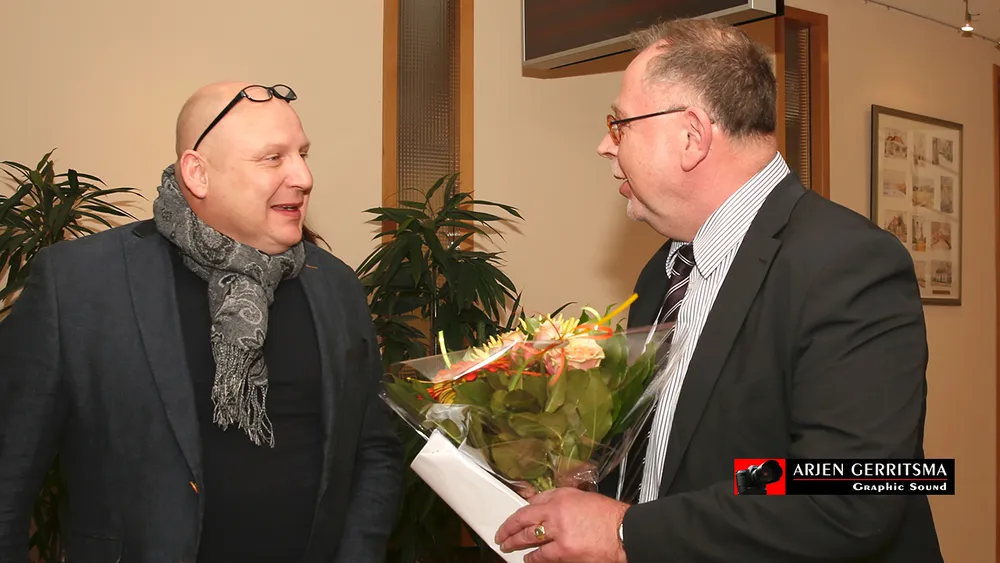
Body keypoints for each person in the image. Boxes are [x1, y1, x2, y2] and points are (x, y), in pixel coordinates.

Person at [495, 18, 943, 563]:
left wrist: (625, 532)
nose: (604, 146)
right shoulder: (663, 273)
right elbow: (675, 458)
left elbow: (848, 488)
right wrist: (583, 484)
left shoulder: (847, 262)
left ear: (692, 135)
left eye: (619, 124)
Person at [0, 81, 403, 563]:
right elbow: (10, 470)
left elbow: (374, 449)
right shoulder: (79, 284)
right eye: (273, 158)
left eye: (302, 154)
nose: (303, 176)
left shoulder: (335, 285)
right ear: (198, 173)